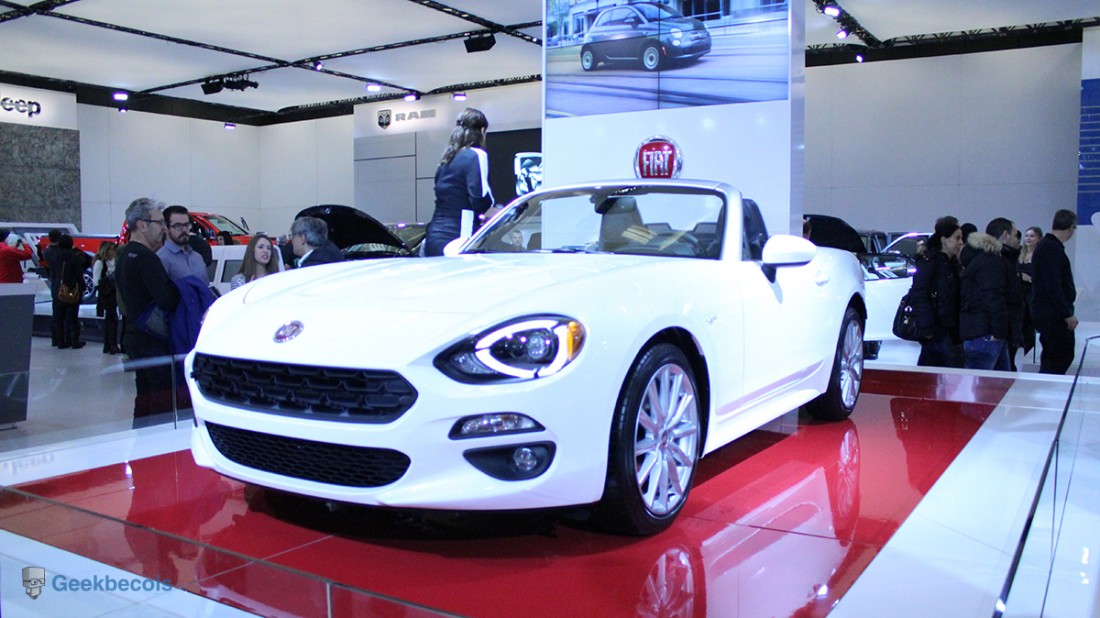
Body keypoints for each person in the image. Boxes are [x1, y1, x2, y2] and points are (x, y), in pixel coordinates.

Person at [115, 197, 180, 425]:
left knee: (144, 397)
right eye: (159, 222)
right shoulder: (145, 258)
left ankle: (141, 440)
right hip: (153, 340)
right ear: (142, 225)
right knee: (160, 400)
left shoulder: (125, 256)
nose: (163, 228)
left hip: (135, 336)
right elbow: (167, 300)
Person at [424, 108, 493, 256]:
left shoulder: (445, 160)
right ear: (482, 131)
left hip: (433, 238)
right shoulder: (476, 155)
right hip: (459, 239)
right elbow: (479, 200)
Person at [958, 218, 1016, 371]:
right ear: (1005, 235)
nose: (1017, 239)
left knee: (995, 382)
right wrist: (998, 331)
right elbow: (993, 297)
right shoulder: (991, 261)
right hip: (986, 333)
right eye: (1014, 234)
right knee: (983, 383)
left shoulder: (980, 260)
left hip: (981, 330)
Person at [909, 218, 964, 368]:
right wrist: (927, 328)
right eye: (957, 238)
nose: (961, 242)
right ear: (944, 240)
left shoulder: (951, 264)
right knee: (948, 369)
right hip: (936, 328)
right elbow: (920, 294)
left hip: (949, 328)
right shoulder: (931, 262)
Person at [1031, 209, 1078, 375]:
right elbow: (1053, 286)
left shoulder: (1047, 246)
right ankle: (1049, 387)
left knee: (1057, 356)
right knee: (1058, 357)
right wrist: (1066, 314)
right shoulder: (1051, 249)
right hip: (1053, 315)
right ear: (1071, 228)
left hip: (1049, 312)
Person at [56, 234, 91, 349]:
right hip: (72, 289)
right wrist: (82, 287)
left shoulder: (56, 257)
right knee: (73, 317)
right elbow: (79, 274)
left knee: (60, 317)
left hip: (60, 289)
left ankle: (60, 341)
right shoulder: (75, 257)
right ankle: (74, 341)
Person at [157, 205, 208, 282]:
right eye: (178, 225)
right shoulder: (161, 259)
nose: (184, 230)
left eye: (187, 225)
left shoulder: (197, 257)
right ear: (166, 228)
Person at [1017, 225, 1042, 357]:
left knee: (1030, 322)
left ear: (1038, 239)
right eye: (1027, 236)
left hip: (1032, 293)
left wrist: (1030, 279)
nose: (1028, 238)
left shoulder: (1040, 256)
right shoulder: (1020, 254)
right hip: (1019, 292)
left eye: (1032, 236)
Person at [93, 241, 121, 354]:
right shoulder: (100, 263)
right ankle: (111, 344)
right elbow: (96, 282)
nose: (114, 252)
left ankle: (109, 344)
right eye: (111, 250)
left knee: (112, 319)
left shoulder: (114, 262)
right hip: (106, 295)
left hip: (113, 293)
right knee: (111, 319)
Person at [42, 228, 65, 347]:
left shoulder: (47, 252)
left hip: (54, 282)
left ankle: (56, 338)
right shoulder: (61, 252)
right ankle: (63, 338)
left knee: (56, 312)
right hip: (63, 282)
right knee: (64, 312)